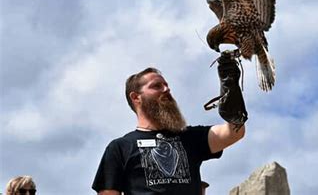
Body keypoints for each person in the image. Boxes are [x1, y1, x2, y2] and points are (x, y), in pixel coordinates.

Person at [92, 52, 246, 194]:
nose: (166, 89)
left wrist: (230, 87)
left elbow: (234, 132)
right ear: (136, 97)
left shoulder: (189, 137)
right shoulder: (120, 147)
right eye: (156, 86)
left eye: (166, 85)